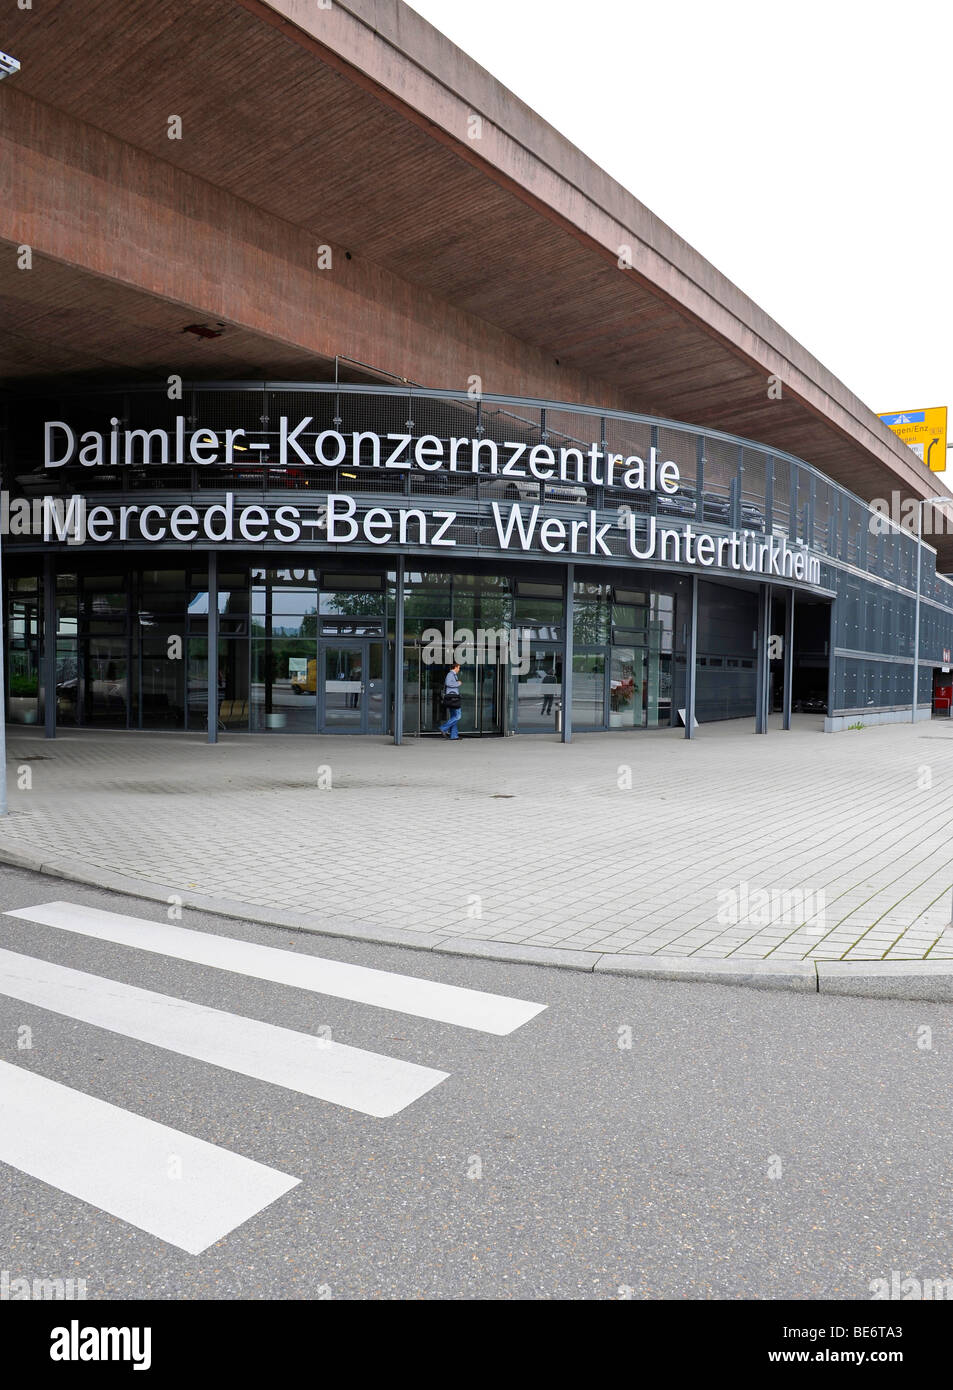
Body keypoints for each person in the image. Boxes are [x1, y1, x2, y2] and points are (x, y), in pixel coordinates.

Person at [438, 661, 463, 740]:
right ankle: (443, 728)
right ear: (455, 667)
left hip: (453, 698)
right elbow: (448, 683)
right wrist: (458, 683)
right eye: (458, 668)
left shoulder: (453, 675)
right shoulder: (450, 674)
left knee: (453, 716)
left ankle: (454, 735)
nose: (459, 669)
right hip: (453, 699)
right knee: (458, 716)